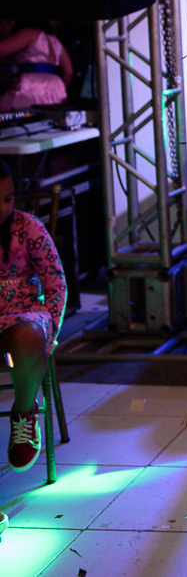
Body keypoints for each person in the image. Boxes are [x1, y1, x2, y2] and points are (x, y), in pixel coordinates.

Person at [0, 158, 68, 474]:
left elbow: (55, 282)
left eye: (9, 198)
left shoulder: (28, 228)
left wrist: (50, 332)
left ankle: (25, 412)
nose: (3, 207)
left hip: (24, 316)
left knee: (28, 336)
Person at [0, 19, 73, 111]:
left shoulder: (29, 34)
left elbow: (2, 49)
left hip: (32, 84)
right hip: (55, 87)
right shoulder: (54, 40)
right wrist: (58, 88)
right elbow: (69, 71)